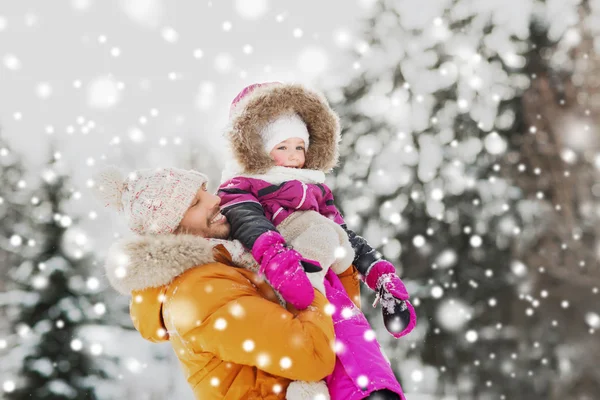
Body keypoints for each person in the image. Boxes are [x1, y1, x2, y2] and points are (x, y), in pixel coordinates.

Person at [218, 82, 413, 399]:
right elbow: (249, 221)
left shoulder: (314, 189)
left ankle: (375, 393)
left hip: (326, 284)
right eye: (282, 147)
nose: (294, 157)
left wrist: (377, 271)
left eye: (300, 147)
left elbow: (341, 234)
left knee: (355, 346)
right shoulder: (240, 186)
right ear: (255, 147)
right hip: (273, 279)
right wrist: (280, 262)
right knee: (311, 355)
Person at [95, 166, 339, 399]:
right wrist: (308, 274)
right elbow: (312, 355)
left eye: (205, 191)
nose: (214, 200)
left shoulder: (224, 267)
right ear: (171, 232)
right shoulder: (199, 291)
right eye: (194, 203)